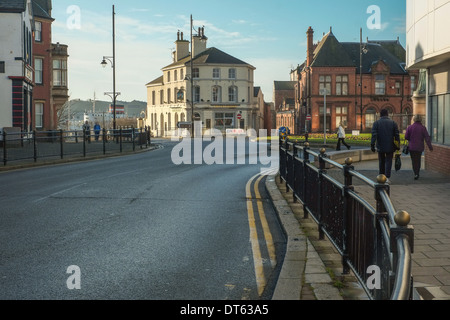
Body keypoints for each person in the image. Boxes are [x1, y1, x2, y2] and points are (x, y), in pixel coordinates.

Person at [371, 109, 400, 183]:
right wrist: (397, 145)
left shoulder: (376, 123)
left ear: (380, 115)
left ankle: (381, 176)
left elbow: (374, 135)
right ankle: (387, 177)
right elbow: (397, 135)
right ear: (387, 114)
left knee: (381, 161)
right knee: (388, 161)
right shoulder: (393, 123)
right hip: (390, 145)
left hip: (380, 145)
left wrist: (372, 144)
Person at [405, 114, 433, 180]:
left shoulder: (410, 127)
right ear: (420, 119)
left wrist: (410, 138)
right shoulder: (423, 128)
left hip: (412, 147)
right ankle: (417, 172)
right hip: (419, 147)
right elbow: (427, 138)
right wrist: (430, 147)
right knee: (418, 160)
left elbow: (406, 137)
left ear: (414, 119)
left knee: (414, 161)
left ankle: (415, 173)